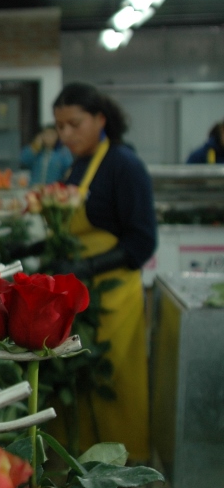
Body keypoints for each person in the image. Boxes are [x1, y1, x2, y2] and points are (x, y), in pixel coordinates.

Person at [50, 82, 158, 461]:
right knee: (80, 384)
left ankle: (123, 474)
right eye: (60, 126)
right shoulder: (76, 167)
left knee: (113, 381)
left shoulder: (124, 165)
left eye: (74, 124)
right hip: (81, 296)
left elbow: (142, 241)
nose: (66, 134)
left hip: (113, 296)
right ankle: (81, 471)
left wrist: (88, 266)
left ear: (100, 119)